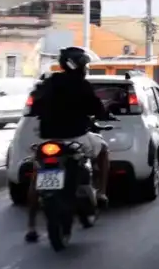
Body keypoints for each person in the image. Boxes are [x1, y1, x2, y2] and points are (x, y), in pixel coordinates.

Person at [24, 47, 113, 243]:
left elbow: (34, 105)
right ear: (79, 65)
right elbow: (97, 109)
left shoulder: (48, 82)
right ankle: (102, 194)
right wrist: (103, 113)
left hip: (48, 140)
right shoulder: (82, 86)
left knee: (37, 176)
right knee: (103, 149)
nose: (86, 68)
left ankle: (31, 226)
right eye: (84, 65)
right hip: (77, 138)